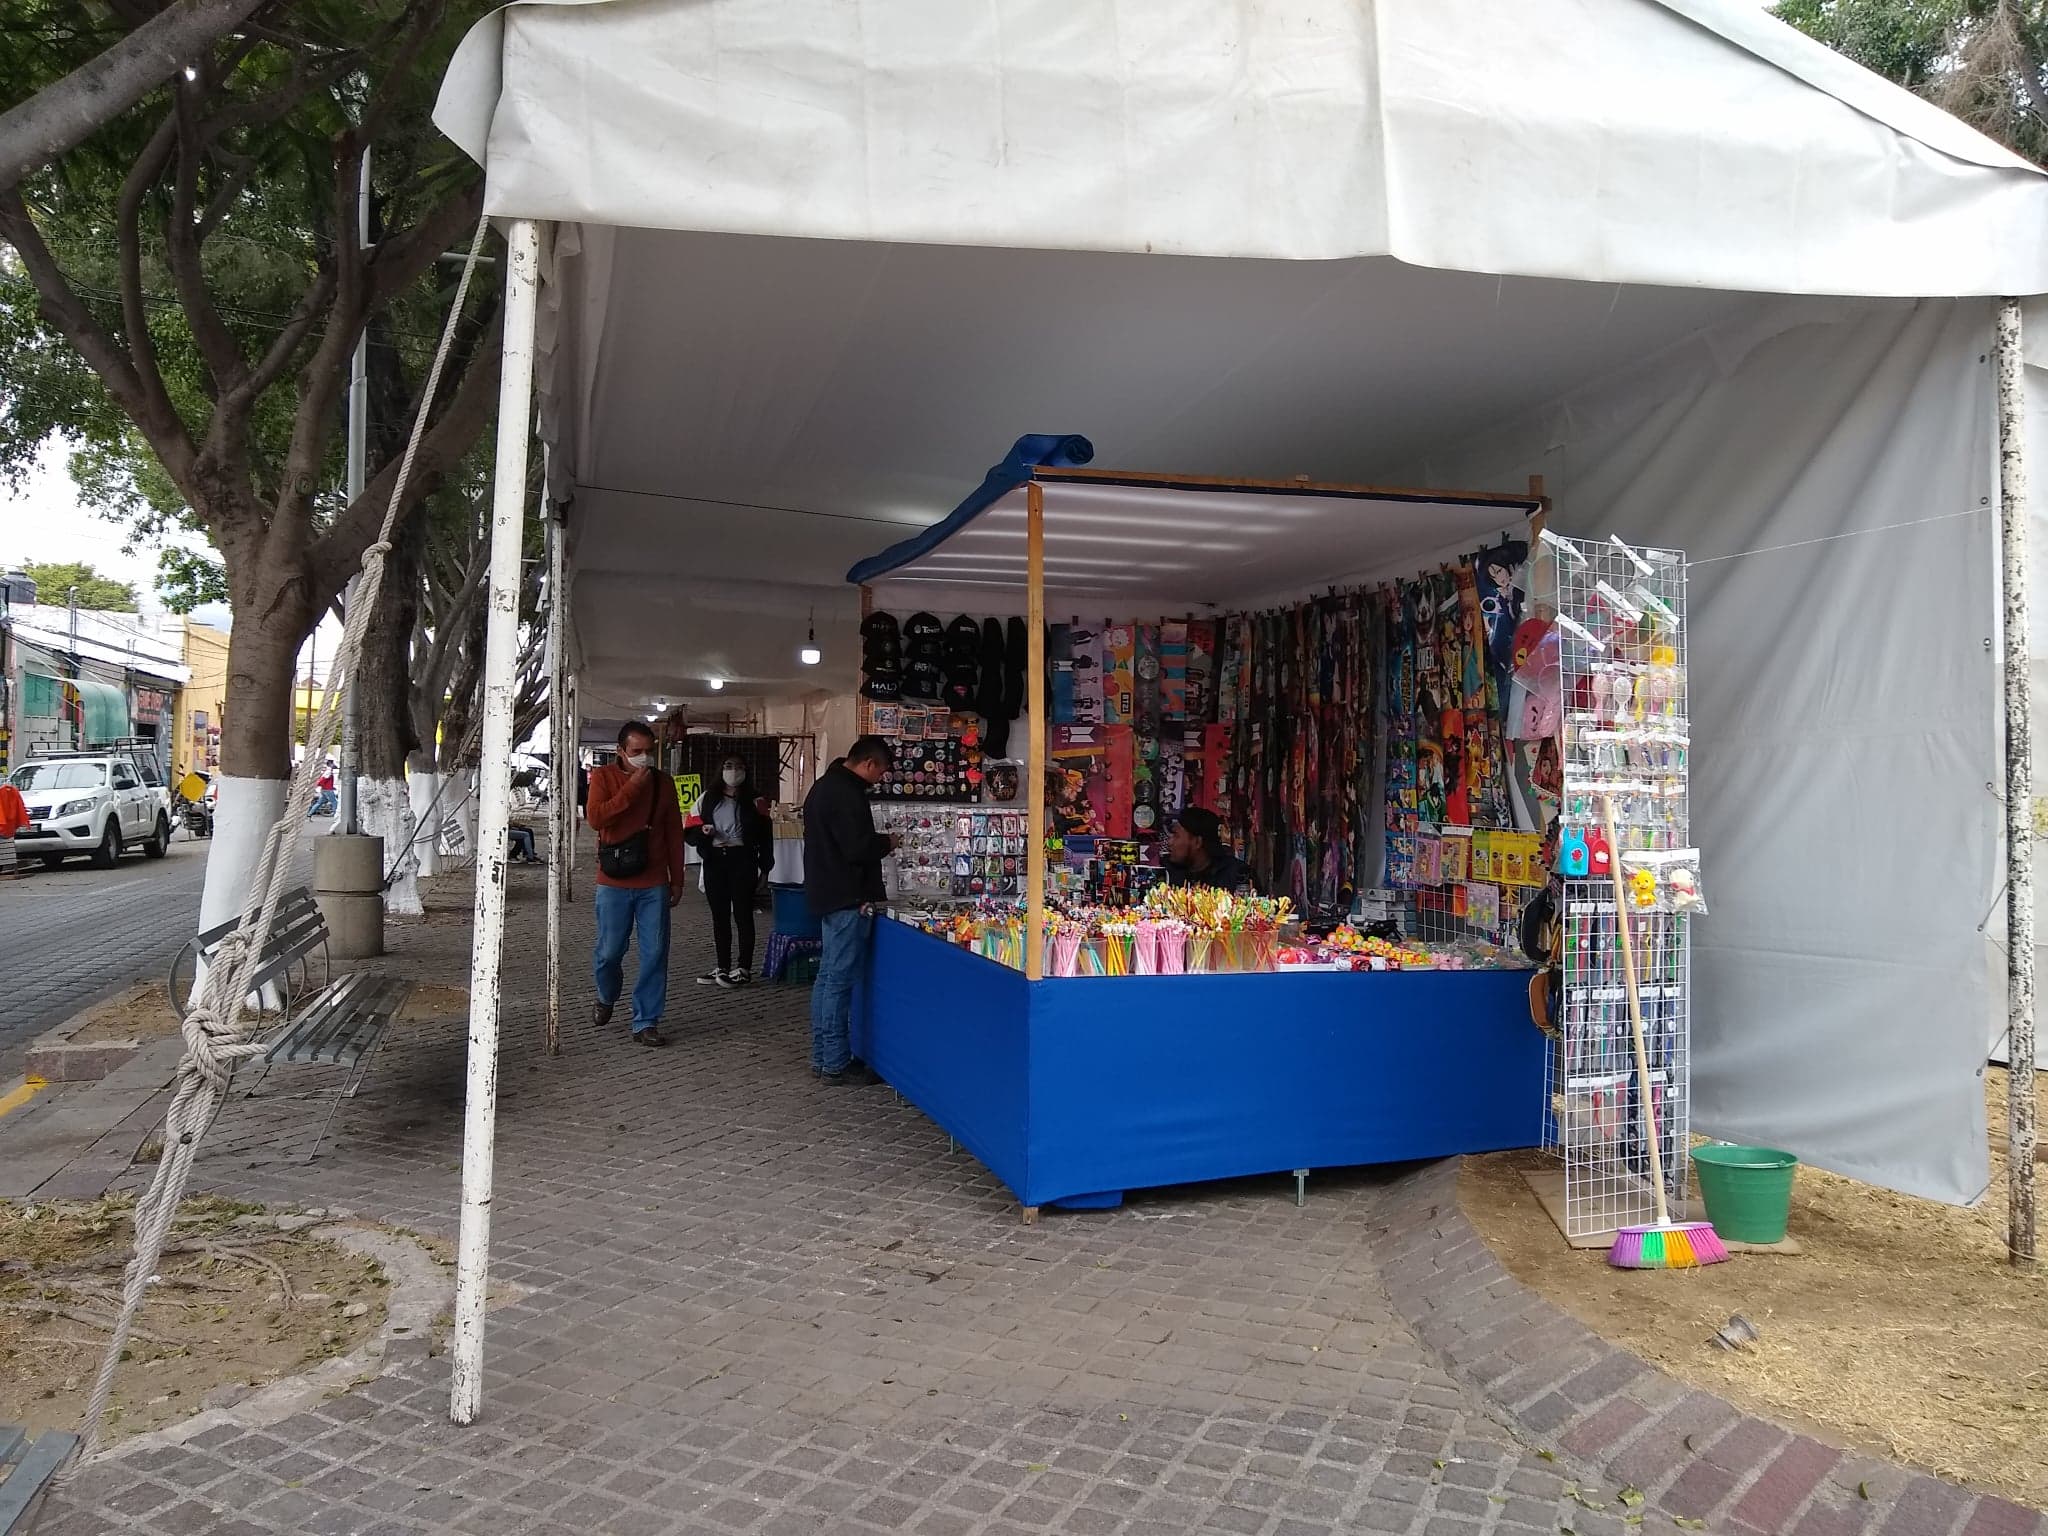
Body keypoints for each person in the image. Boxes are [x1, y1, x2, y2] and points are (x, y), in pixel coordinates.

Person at [586, 720, 686, 1047]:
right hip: (612, 881)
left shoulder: (663, 783)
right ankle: (606, 995)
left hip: (653, 881)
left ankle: (646, 1020)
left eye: (648, 751)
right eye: (636, 751)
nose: (644, 757)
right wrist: (631, 788)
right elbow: (596, 818)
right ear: (620, 751)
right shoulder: (603, 777)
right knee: (609, 951)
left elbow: (674, 833)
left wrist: (677, 879)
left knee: (655, 952)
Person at [802, 735, 895, 1084]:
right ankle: (835, 1062)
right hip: (846, 897)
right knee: (837, 982)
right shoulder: (845, 794)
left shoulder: (826, 786)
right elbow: (856, 848)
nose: (880, 779)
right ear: (868, 764)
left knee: (828, 978)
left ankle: (823, 1056)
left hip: (829, 894)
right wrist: (887, 842)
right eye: (880, 772)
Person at [686, 755, 774, 988]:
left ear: (746, 771)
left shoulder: (756, 801)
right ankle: (722, 966)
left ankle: (744, 967)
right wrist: (703, 832)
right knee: (720, 916)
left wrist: (766, 869)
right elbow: (690, 830)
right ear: (720, 769)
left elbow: (766, 837)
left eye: (739, 767)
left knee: (743, 914)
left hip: (743, 861)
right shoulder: (707, 798)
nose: (734, 771)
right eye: (728, 766)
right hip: (715, 861)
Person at [1161, 806, 1255, 893]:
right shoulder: (1166, 873)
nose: (1170, 842)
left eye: (1176, 835)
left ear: (1197, 842)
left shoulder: (1237, 874)